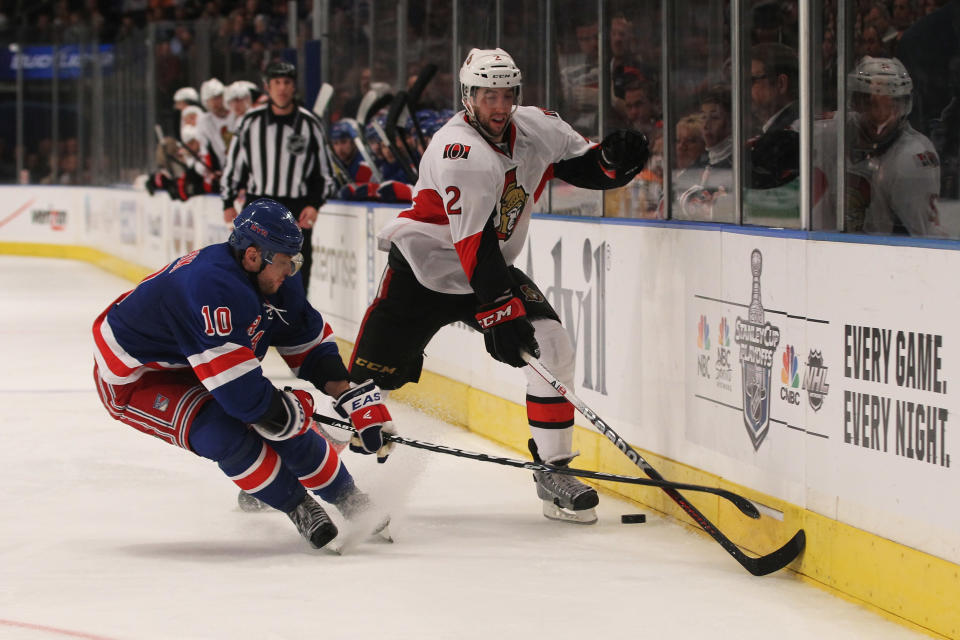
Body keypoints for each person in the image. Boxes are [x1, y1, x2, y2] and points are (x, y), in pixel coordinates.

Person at [348, 48, 649, 525]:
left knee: (551, 342)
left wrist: (615, 160)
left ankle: (553, 471)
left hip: (485, 266)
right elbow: (474, 245)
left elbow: (584, 167)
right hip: (425, 269)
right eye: (488, 95)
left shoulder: (536, 128)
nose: (499, 105)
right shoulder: (459, 150)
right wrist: (501, 314)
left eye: (507, 94)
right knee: (362, 385)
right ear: (468, 97)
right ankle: (301, 467)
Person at [92, 199, 397, 550]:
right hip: (139, 376)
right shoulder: (211, 287)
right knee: (222, 433)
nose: (292, 271)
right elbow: (243, 400)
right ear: (253, 256)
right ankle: (297, 505)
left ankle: (348, 498)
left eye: (295, 261)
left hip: (193, 359)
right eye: (286, 263)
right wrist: (293, 412)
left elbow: (308, 345)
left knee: (282, 421)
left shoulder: (275, 276)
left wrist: (351, 397)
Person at [221, 60, 336, 295]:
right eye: (276, 83)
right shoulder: (250, 122)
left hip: (296, 208)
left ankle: (293, 322)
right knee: (249, 262)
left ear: (294, 87)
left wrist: (314, 204)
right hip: (257, 205)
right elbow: (234, 166)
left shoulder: (309, 124)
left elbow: (325, 173)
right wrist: (227, 201)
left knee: (294, 269)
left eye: (287, 82)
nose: (282, 88)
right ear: (267, 86)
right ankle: (251, 313)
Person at [812, 57, 946, 236]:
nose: (881, 115)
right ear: (857, 103)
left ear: (904, 106)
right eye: (872, 103)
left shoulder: (912, 156)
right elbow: (800, 130)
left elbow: (926, 239)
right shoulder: (836, 128)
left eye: (891, 104)